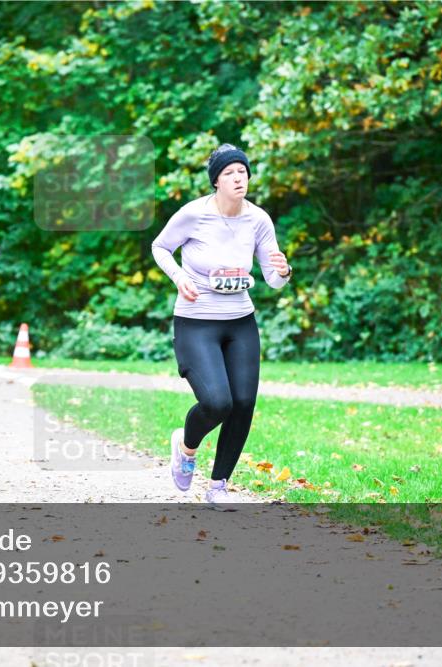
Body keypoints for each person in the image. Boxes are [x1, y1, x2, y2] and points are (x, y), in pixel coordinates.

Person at [151, 143, 292, 510]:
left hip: (240, 322)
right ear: (216, 181)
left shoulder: (259, 220)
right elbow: (160, 247)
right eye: (229, 173)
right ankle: (186, 447)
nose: (238, 178)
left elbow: (272, 279)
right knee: (217, 402)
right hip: (196, 321)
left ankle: (218, 486)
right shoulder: (194, 214)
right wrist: (179, 277)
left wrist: (284, 270)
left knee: (243, 403)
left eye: (242, 172)